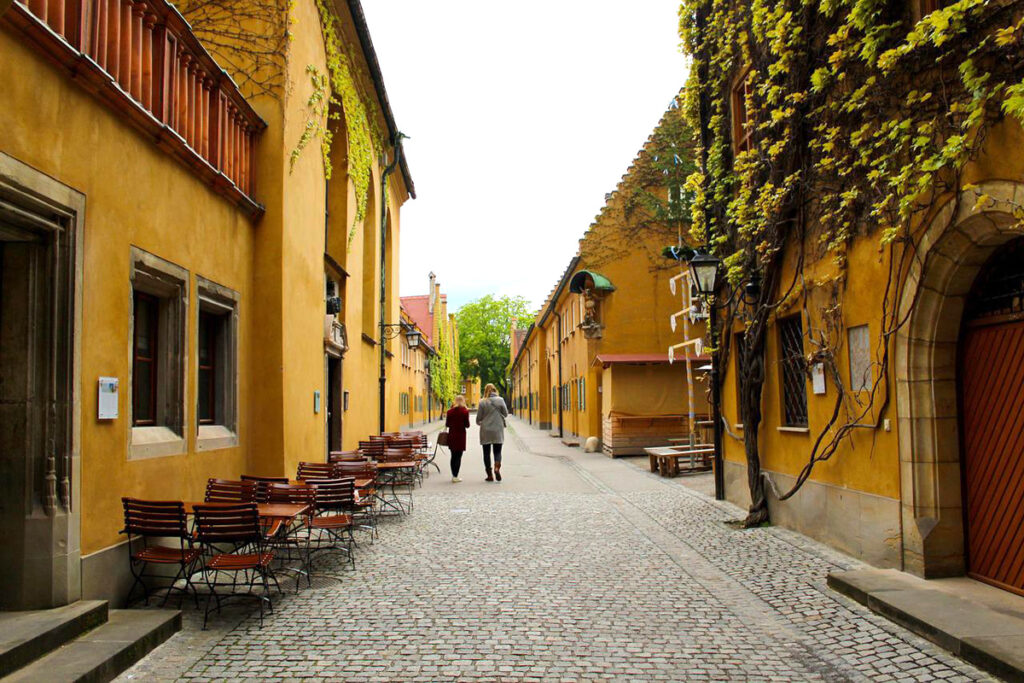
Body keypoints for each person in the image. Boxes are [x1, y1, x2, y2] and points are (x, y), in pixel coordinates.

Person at [475, 383, 508, 482]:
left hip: (486, 430)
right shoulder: (500, 400)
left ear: (485, 391)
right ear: (495, 390)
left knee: (486, 453)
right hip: (498, 429)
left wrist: (479, 422)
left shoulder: (482, 402)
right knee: (497, 451)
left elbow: (478, 418)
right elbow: (505, 414)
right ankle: (497, 468)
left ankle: (489, 475)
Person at [444, 395, 470, 483]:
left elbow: (447, 424)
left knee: (453, 456)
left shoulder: (449, 412)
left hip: (452, 435)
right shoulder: (465, 411)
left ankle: (453, 475)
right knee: (459, 456)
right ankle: (455, 476)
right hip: (461, 436)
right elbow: (467, 425)